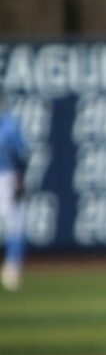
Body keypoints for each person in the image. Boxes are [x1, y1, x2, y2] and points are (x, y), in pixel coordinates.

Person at [0, 104, 29, 292]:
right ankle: (11, 270)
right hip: (5, 178)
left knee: (15, 225)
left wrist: (19, 178)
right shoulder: (9, 124)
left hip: (6, 177)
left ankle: (11, 270)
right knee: (15, 225)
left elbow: (21, 154)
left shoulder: (9, 124)